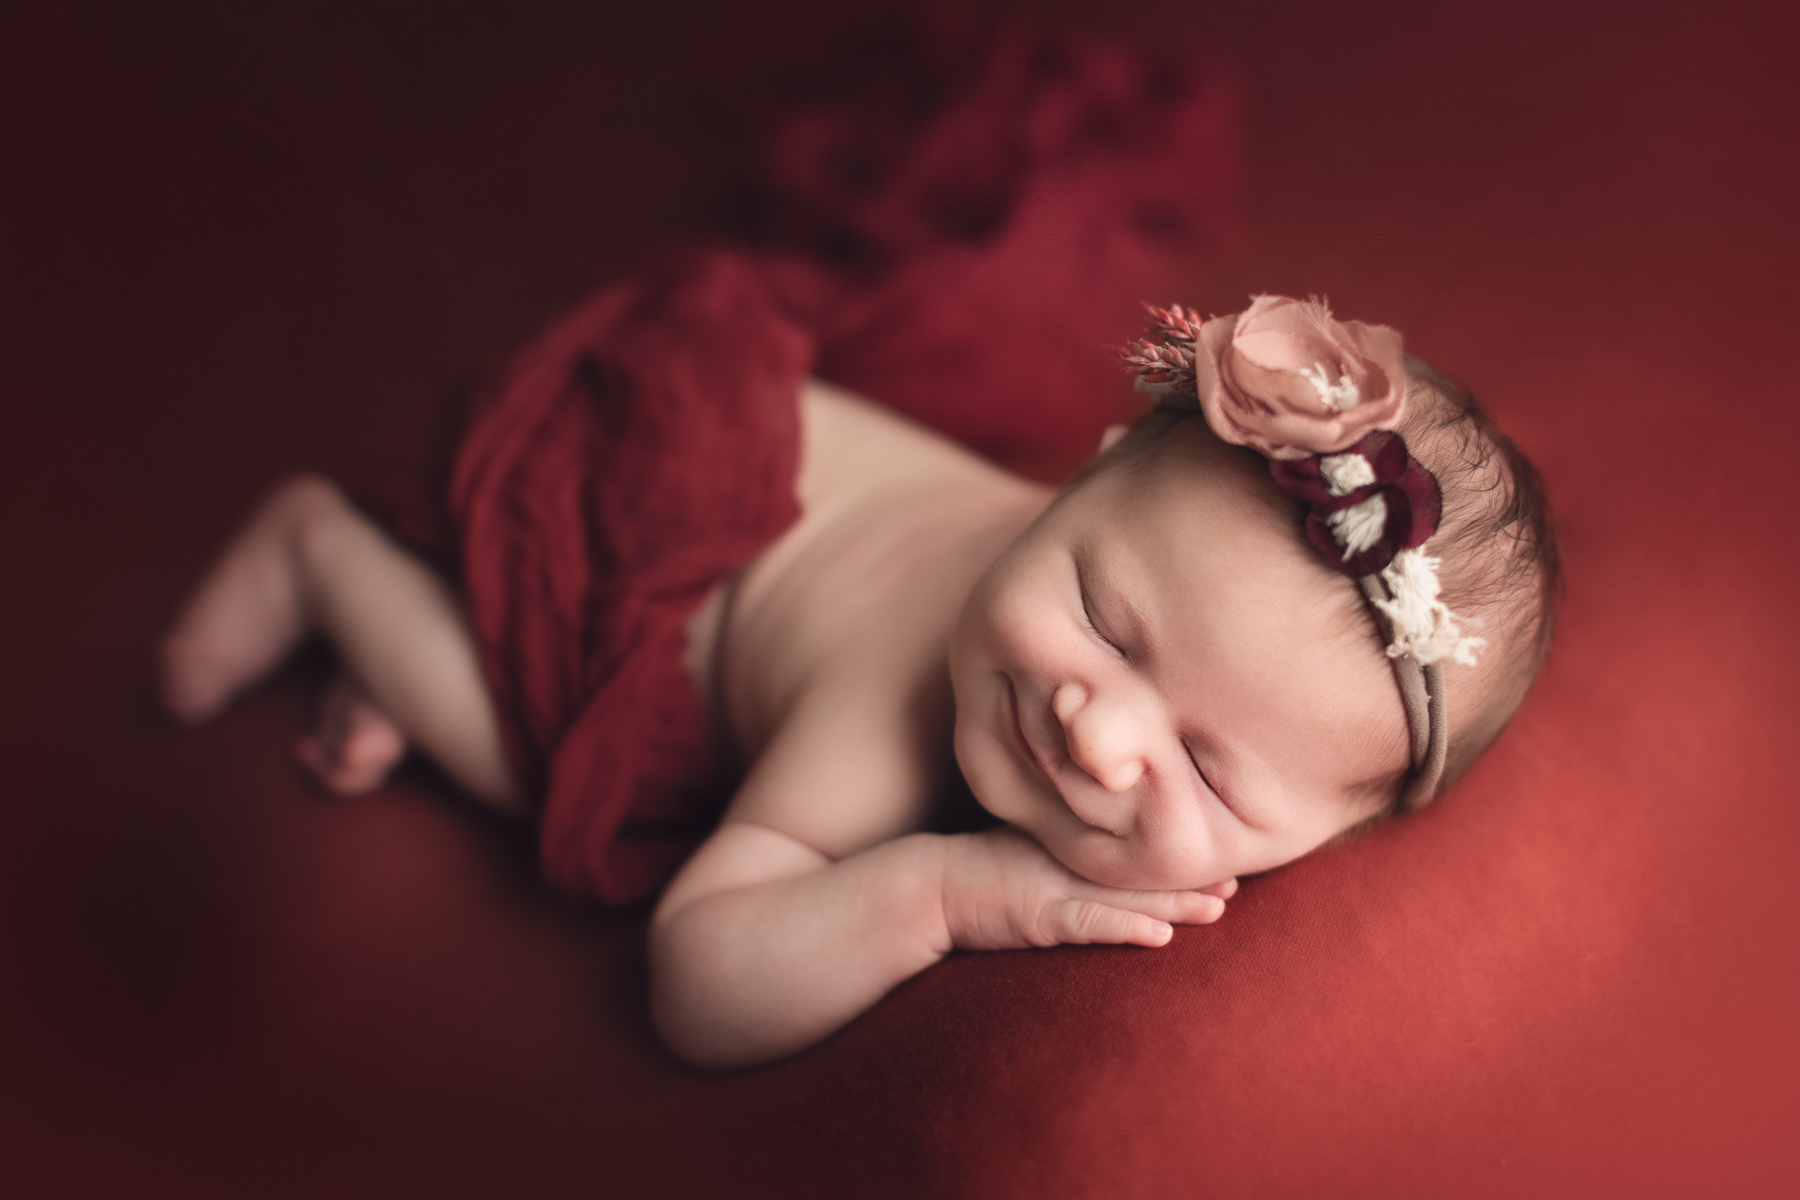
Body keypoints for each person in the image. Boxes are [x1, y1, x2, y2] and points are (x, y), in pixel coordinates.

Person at [159, 290, 1559, 1069]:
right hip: (623, 526)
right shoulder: (884, 719)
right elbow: (695, 981)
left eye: (1207, 769)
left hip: (760, 447)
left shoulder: (1140, 567)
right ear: (1073, 482)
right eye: (1100, 616)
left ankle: (423, 611)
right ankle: (329, 558)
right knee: (539, 767)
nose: (1099, 726)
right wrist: (940, 894)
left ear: (1337, 838)